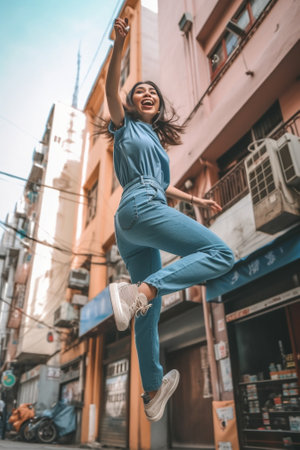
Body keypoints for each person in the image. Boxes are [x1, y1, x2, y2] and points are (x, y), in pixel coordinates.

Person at [101, 17, 235, 422]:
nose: (145, 93)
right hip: (140, 207)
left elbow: (163, 184)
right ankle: (138, 290)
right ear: (130, 103)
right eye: (138, 91)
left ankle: (153, 390)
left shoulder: (154, 141)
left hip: (132, 222)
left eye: (151, 92)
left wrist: (195, 198)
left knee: (148, 313)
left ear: (157, 106)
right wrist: (119, 47)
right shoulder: (124, 127)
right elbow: (111, 88)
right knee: (220, 252)